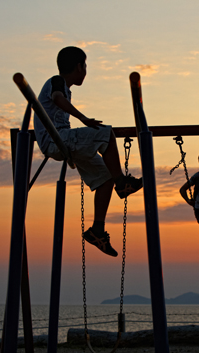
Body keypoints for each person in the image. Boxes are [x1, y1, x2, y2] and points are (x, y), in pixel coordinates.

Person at [34, 46, 142, 257]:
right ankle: (122, 183)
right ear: (78, 66)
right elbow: (57, 98)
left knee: (105, 179)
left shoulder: (65, 87)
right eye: (85, 66)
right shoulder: (57, 82)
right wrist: (82, 118)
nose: (85, 70)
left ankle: (97, 230)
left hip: (62, 142)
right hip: (58, 139)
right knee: (106, 134)